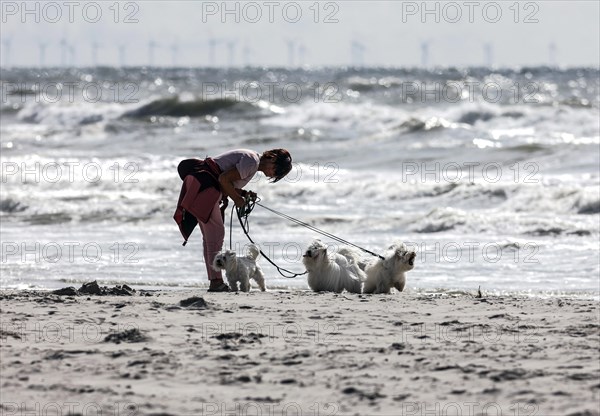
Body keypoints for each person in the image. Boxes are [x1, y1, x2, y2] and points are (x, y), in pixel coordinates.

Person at [174, 149, 293, 292]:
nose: (273, 176)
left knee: (210, 238)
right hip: (206, 189)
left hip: (201, 186)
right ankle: (216, 282)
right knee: (215, 236)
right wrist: (237, 200)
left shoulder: (251, 159)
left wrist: (243, 194)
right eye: (276, 171)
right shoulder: (252, 162)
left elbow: (226, 182)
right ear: (273, 160)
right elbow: (223, 179)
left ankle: (215, 280)